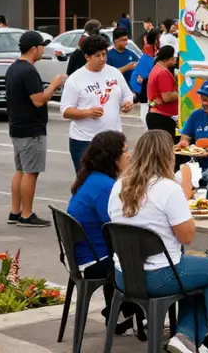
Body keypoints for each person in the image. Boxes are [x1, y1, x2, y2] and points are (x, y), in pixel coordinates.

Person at [108, 129, 208, 353]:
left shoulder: (118, 186)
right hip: (159, 276)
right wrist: (184, 192)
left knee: (195, 271)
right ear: (167, 156)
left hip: (124, 275)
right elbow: (188, 237)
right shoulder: (168, 189)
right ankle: (188, 337)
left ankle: (186, 338)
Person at [66, 131, 145, 337]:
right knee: (149, 258)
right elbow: (119, 226)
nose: (130, 155)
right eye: (125, 151)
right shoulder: (105, 187)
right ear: (113, 157)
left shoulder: (93, 179)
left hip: (84, 256)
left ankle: (121, 313)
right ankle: (140, 314)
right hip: (95, 261)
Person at [6, 31, 65, 227]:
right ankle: (26, 214)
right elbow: (38, 100)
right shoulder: (29, 71)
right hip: (31, 129)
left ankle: (15, 211)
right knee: (31, 172)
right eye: (41, 46)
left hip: (17, 126)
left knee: (21, 170)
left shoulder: (13, 68)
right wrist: (54, 85)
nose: (43, 49)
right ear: (33, 49)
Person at [60, 34, 135, 171]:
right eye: (98, 56)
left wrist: (128, 103)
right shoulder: (76, 79)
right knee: (87, 181)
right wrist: (87, 112)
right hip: (85, 141)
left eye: (104, 55)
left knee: (115, 180)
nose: (102, 59)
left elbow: (127, 95)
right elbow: (65, 111)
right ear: (87, 57)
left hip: (113, 139)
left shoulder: (114, 73)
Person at [146, 45, 180, 139]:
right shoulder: (162, 73)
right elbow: (167, 97)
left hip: (157, 114)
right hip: (161, 117)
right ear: (168, 58)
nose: (175, 60)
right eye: (174, 57)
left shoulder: (157, 68)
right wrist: (181, 93)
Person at [134, 28, 161, 121]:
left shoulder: (150, 52)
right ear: (155, 39)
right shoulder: (151, 54)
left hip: (146, 90)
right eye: (159, 37)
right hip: (147, 89)